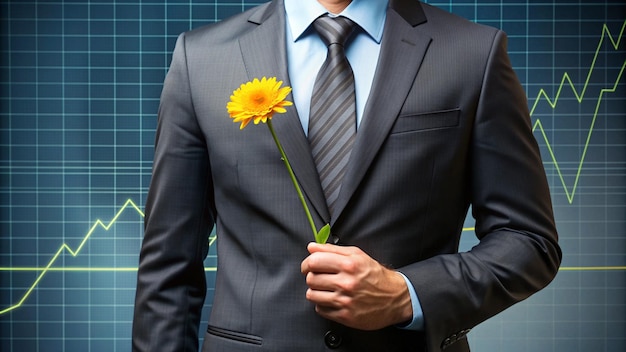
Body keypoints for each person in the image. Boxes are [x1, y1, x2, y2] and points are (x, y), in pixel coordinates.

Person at [132, 0, 562, 351]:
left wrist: (407, 294)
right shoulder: (201, 58)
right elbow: (169, 264)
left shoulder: (474, 53)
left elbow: (529, 240)